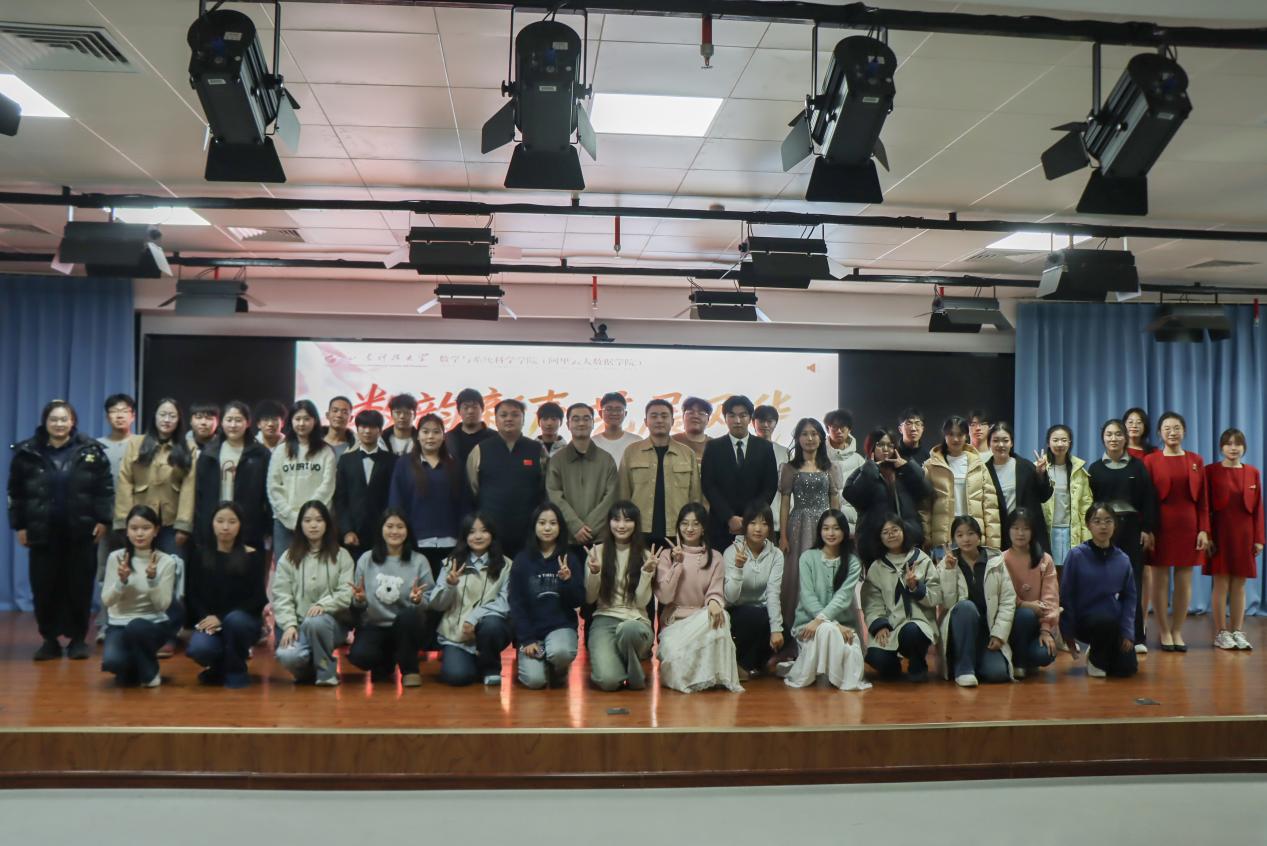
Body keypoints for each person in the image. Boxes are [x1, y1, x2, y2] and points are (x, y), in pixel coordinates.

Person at [8, 400, 113, 661]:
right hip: (42, 532)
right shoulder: (27, 452)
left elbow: (105, 489)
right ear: (45, 422)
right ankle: (49, 640)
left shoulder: (90, 451)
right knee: (44, 587)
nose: (59, 424)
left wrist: (103, 520)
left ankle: (78, 639)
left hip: (81, 531)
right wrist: (20, 525)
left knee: (79, 586)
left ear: (72, 421)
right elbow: (15, 493)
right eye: (53, 419)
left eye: (64, 419)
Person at [655, 503, 742, 694]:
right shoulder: (667, 555)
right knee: (674, 659)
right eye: (684, 523)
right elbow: (664, 597)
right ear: (678, 526)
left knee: (722, 617)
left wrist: (714, 603)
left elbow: (715, 591)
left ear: (703, 528)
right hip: (675, 622)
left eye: (695, 524)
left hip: (702, 618)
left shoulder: (715, 557)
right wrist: (677, 564)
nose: (690, 528)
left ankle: (715, 677)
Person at [1142, 412, 1210, 653]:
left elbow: (1203, 500)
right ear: (1159, 433)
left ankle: (1177, 630)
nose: (1172, 432)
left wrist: (1204, 529)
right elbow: (1145, 499)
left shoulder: (1196, 460)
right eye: (1167, 428)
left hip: (1189, 526)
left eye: (1177, 427)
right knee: (1160, 580)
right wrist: (1148, 529)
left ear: (1184, 431)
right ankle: (1164, 630)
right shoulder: (1151, 460)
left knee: (1184, 580)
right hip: (1160, 526)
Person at [1087, 418, 1156, 653]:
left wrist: (1147, 528)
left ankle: (1136, 636)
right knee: (1101, 581)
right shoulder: (1095, 469)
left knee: (1132, 583)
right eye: (1109, 434)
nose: (1114, 438)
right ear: (1103, 438)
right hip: (1103, 531)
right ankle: (1101, 637)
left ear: (1125, 438)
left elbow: (1148, 499)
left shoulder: (1138, 467)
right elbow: (1090, 504)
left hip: (1131, 530)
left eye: (1118, 434)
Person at [783, 509, 870, 691]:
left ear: (844, 531)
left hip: (845, 626)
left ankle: (831, 676)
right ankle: (822, 673)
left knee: (847, 648)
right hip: (809, 625)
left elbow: (843, 598)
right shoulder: (807, 557)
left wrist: (825, 621)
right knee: (827, 630)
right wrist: (831, 624)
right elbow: (807, 597)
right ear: (819, 531)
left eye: (836, 528)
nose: (831, 533)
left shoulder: (853, 562)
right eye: (826, 528)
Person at [184, 501, 268, 688]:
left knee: (235, 621)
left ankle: (236, 671)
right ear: (212, 524)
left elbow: (257, 599)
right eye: (220, 521)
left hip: (243, 622)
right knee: (199, 648)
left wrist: (221, 618)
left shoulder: (252, 555)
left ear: (240, 525)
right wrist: (207, 618)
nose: (225, 527)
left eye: (232, 522)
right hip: (209, 622)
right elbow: (192, 595)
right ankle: (219, 668)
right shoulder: (199, 555)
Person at [347, 509, 434, 687]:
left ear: (407, 531)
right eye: (390, 526)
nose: (394, 531)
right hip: (374, 625)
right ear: (381, 529)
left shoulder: (419, 561)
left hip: (406, 627)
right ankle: (386, 662)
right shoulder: (366, 559)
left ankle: (410, 670)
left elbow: (430, 600)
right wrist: (360, 600)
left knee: (409, 617)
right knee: (360, 656)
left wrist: (418, 600)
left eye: (400, 527)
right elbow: (357, 601)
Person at [272, 500, 355, 686]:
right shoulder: (287, 558)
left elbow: (347, 592)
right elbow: (281, 596)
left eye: (319, 520)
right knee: (285, 655)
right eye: (307, 520)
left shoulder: (342, 556)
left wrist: (323, 605)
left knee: (315, 622)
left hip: (333, 625)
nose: (313, 525)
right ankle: (308, 672)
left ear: (327, 524)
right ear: (300, 525)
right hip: (300, 626)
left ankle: (326, 673)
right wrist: (289, 625)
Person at [429, 512, 514, 686]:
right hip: (457, 634)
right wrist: (449, 585)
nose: (478, 536)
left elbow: (505, 602)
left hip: (488, 629)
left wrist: (474, 618)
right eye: (472, 532)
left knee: (492, 625)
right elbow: (437, 605)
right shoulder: (451, 563)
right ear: (464, 536)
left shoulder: (506, 565)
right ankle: (470, 661)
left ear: (492, 534)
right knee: (457, 677)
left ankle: (490, 667)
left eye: (484, 531)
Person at [508, 503, 585, 689]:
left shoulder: (569, 558)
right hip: (532, 632)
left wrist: (567, 581)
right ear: (534, 526)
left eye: (553, 523)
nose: (547, 528)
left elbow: (578, 600)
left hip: (560, 628)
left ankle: (557, 668)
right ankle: (534, 660)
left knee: (561, 653)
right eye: (542, 523)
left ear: (560, 527)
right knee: (535, 682)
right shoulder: (522, 560)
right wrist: (526, 639)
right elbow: (516, 603)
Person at [100, 505, 177, 686]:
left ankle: (150, 671)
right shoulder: (116, 558)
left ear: (156, 531)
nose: (139, 534)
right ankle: (135, 665)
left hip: (153, 624)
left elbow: (163, 605)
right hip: (119, 624)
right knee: (112, 663)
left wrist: (152, 580)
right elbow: (107, 600)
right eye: (134, 528)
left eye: (146, 528)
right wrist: (121, 582)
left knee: (136, 627)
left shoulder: (166, 561)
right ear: (127, 531)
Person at [778, 418, 843, 633]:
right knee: (799, 576)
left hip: (826, 527)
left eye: (814, 433)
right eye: (805, 434)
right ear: (798, 438)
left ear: (821, 438)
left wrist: (837, 531)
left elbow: (835, 500)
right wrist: (783, 536)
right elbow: (785, 503)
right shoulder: (789, 468)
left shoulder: (831, 467)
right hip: (798, 527)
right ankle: (799, 628)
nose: (810, 438)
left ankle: (826, 627)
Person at [584, 500, 657, 691]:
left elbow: (641, 602)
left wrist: (647, 573)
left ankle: (632, 673)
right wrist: (594, 573)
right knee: (608, 681)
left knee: (628, 629)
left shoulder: (645, 555)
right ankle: (628, 668)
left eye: (628, 520)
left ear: (636, 524)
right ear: (609, 522)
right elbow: (590, 599)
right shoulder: (596, 553)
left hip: (636, 621)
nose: (621, 525)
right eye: (616, 519)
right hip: (604, 620)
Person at [1060, 503, 1138, 678]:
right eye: (1097, 521)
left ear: (1115, 525)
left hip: (1113, 622)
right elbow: (1066, 595)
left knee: (1127, 668)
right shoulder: (1076, 555)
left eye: (1108, 521)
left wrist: (1127, 632)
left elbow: (1130, 598)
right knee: (1104, 621)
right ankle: (1096, 661)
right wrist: (1067, 633)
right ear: (1088, 525)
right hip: (1085, 621)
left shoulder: (1123, 559)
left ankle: (1099, 651)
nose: (1103, 526)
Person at [936, 515, 1015, 687]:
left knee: (997, 674)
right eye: (960, 535)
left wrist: (999, 634)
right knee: (966, 607)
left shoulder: (995, 561)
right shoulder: (946, 563)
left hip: (988, 630)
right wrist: (949, 572)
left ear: (979, 536)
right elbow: (947, 604)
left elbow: (1008, 600)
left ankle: (976, 661)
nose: (966, 539)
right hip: (960, 630)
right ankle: (964, 668)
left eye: (970, 533)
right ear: (954, 539)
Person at [389, 412, 467, 580]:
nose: (430, 436)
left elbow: (464, 503)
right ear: (417, 436)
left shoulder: (455, 465)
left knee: (447, 588)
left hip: (450, 541)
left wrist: (463, 537)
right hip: (416, 541)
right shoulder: (404, 464)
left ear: (443, 436)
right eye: (425, 431)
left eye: (436, 432)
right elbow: (396, 502)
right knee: (418, 589)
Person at [466, 398, 547, 558]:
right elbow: (472, 488)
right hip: (490, 530)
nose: (509, 419)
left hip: (528, 529)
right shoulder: (481, 449)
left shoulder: (537, 449)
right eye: (503, 415)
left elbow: (544, 488)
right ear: (495, 420)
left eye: (515, 415)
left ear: (523, 419)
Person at [1205, 428, 1263, 651]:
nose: (1233, 448)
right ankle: (1221, 633)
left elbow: (1258, 509)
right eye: (1228, 443)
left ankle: (1237, 630)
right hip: (1220, 533)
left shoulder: (1253, 473)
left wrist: (1259, 539)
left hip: (1245, 535)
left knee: (1239, 584)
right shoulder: (1210, 471)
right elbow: (1204, 506)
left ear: (1244, 447)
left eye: (1237, 443)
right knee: (1221, 583)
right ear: (1221, 447)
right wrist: (1207, 534)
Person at [861, 516, 937, 682]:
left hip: (917, 621)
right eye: (885, 532)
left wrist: (915, 587)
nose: (891, 535)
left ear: (904, 531)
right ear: (880, 537)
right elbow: (871, 602)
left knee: (912, 632)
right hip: (890, 625)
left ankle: (918, 663)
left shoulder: (922, 559)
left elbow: (935, 595)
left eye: (895, 530)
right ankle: (893, 663)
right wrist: (880, 625)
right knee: (877, 658)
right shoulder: (877, 566)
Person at [115, 398, 195, 554]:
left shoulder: (188, 447)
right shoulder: (135, 443)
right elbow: (125, 481)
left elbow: (189, 487)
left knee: (173, 565)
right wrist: (124, 520)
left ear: (179, 420)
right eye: (162, 414)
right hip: (139, 520)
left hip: (171, 521)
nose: (167, 419)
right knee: (139, 564)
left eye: (172, 416)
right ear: (155, 417)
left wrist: (183, 526)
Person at [619, 399, 701, 546]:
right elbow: (623, 494)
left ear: (673, 421)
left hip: (678, 531)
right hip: (639, 531)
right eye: (654, 416)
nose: (659, 420)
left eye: (664, 416)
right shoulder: (631, 452)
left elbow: (695, 497)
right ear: (646, 421)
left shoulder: (687, 453)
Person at [844, 427, 931, 566]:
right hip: (874, 542)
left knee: (910, 578)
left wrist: (908, 467)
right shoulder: (863, 471)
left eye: (890, 445)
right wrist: (870, 470)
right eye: (880, 445)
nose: (886, 449)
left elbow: (925, 492)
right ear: (871, 447)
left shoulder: (903, 470)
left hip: (907, 536)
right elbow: (854, 498)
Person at [702, 395, 779, 551]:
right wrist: (729, 517)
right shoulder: (713, 447)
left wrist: (750, 518)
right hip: (721, 525)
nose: (737, 420)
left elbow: (770, 486)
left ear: (750, 418)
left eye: (743, 415)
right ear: (725, 418)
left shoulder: (764, 447)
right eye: (732, 415)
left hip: (755, 525)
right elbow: (708, 486)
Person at [193, 401, 272, 552]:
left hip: (249, 525)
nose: (233, 425)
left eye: (238, 420)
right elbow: (199, 494)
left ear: (248, 423)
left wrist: (268, 528)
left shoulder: (260, 454)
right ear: (221, 422)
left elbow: (267, 494)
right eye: (229, 420)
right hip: (215, 524)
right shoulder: (209, 452)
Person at [921, 415, 1001, 556]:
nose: (956, 439)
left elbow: (990, 506)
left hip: (973, 535)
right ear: (945, 435)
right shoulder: (931, 466)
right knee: (945, 570)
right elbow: (924, 507)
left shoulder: (978, 464)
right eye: (951, 434)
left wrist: (993, 544)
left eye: (960, 434)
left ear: (966, 435)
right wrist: (926, 538)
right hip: (944, 539)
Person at [266, 399, 337, 556]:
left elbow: (327, 486)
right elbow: (273, 486)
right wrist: (291, 515)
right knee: (285, 566)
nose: (301, 423)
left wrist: (309, 516)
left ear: (315, 421)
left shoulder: (326, 451)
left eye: (306, 419)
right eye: (297, 419)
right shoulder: (281, 451)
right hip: (284, 521)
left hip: (316, 523)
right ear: (291, 421)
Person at [722, 502, 785, 679]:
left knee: (783, 631)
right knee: (759, 618)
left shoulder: (776, 554)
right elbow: (730, 597)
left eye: (764, 524)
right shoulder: (731, 552)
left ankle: (753, 664)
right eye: (753, 523)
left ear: (770, 527)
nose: (758, 529)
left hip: (761, 611)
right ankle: (741, 665)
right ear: (745, 525)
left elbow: (773, 592)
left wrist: (777, 629)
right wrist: (738, 568)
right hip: (736, 611)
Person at [546, 402, 618, 549]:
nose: (581, 423)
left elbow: (611, 496)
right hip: (566, 537)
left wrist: (588, 528)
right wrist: (575, 526)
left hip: (600, 539)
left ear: (593, 423)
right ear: (568, 424)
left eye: (586, 418)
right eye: (576, 419)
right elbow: (554, 495)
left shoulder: (606, 459)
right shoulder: (557, 460)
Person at [94, 394, 135, 640]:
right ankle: (106, 622)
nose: (119, 415)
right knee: (105, 571)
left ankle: (131, 620)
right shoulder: (97, 446)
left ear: (133, 415)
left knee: (136, 569)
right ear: (107, 416)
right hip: (106, 520)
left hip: (136, 522)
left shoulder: (142, 444)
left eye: (124, 410)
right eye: (114, 411)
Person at [334, 409, 397, 562]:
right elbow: (340, 499)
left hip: (383, 533)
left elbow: (394, 498)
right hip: (353, 535)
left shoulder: (392, 461)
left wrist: (390, 529)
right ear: (357, 429)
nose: (367, 431)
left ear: (380, 431)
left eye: (373, 427)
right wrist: (347, 530)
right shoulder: (345, 460)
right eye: (363, 427)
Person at [1001, 508, 1058, 679]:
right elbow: (1002, 597)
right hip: (1009, 625)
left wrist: (1046, 630)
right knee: (1025, 614)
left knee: (1046, 654)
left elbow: (1051, 598)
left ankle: (1024, 658)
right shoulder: (1000, 560)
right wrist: (1026, 605)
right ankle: (1019, 662)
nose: (1020, 533)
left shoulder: (1045, 559)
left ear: (1033, 531)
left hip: (1036, 625)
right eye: (1015, 528)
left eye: (1026, 528)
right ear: (1008, 529)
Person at [984, 421, 1053, 553]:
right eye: (996, 441)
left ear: (1012, 443)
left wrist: (1041, 474)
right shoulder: (984, 471)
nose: (1001, 445)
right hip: (999, 536)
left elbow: (1044, 496)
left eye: (1005, 440)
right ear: (989, 444)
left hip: (1028, 533)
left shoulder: (1026, 467)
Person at [1123, 406, 1158, 628]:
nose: (1134, 426)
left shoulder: (1152, 454)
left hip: (1146, 517)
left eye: (1139, 422)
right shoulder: (1117, 450)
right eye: (1130, 422)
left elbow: (1153, 490)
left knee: (1146, 569)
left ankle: (1142, 620)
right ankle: (1123, 619)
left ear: (1145, 427)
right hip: (1122, 519)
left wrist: (1150, 525)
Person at [1042, 424, 1093, 568]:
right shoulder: (1040, 467)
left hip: (1072, 530)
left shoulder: (1079, 470)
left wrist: (1087, 536)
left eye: (1064, 440)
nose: (1060, 444)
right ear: (1048, 443)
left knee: (1071, 571)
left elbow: (1085, 506)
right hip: (1048, 530)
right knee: (1049, 572)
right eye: (1055, 440)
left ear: (1070, 443)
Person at [753, 404, 791, 540]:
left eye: (770, 421)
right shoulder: (746, 449)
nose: (765, 425)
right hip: (751, 517)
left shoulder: (784, 452)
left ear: (776, 423)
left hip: (777, 518)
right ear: (753, 422)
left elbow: (788, 488)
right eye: (761, 421)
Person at [823, 409, 864, 529]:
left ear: (849, 429)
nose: (839, 431)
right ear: (828, 429)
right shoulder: (819, 458)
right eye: (834, 427)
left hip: (854, 522)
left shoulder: (859, 460)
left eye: (842, 427)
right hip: (825, 522)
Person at [445, 387, 495, 469]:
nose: (470, 411)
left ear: (482, 409)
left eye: (475, 407)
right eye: (466, 407)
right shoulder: (448, 438)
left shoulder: (494, 437)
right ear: (459, 411)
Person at [593, 392, 643, 466]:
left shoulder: (637, 441)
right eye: (609, 409)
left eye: (618, 409)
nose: (614, 413)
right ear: (600, 413)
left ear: (625, 414)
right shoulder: (592, 443)